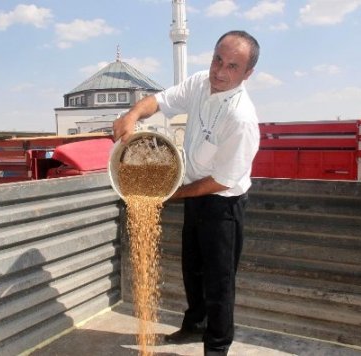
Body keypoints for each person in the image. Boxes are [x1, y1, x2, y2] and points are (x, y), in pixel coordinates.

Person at [113, 30, 260, 356]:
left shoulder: (242, 119)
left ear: (247, 73)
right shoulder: (199, 84)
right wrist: (132, 114)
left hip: (223, 203)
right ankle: (194, 326)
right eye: (217, 59)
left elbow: (221, 180)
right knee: (192, 268)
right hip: (193, 192)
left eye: (232, 66)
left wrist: (170, 192)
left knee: (219, 281)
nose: (220, 71)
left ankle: (217, 346)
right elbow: (160, 101)